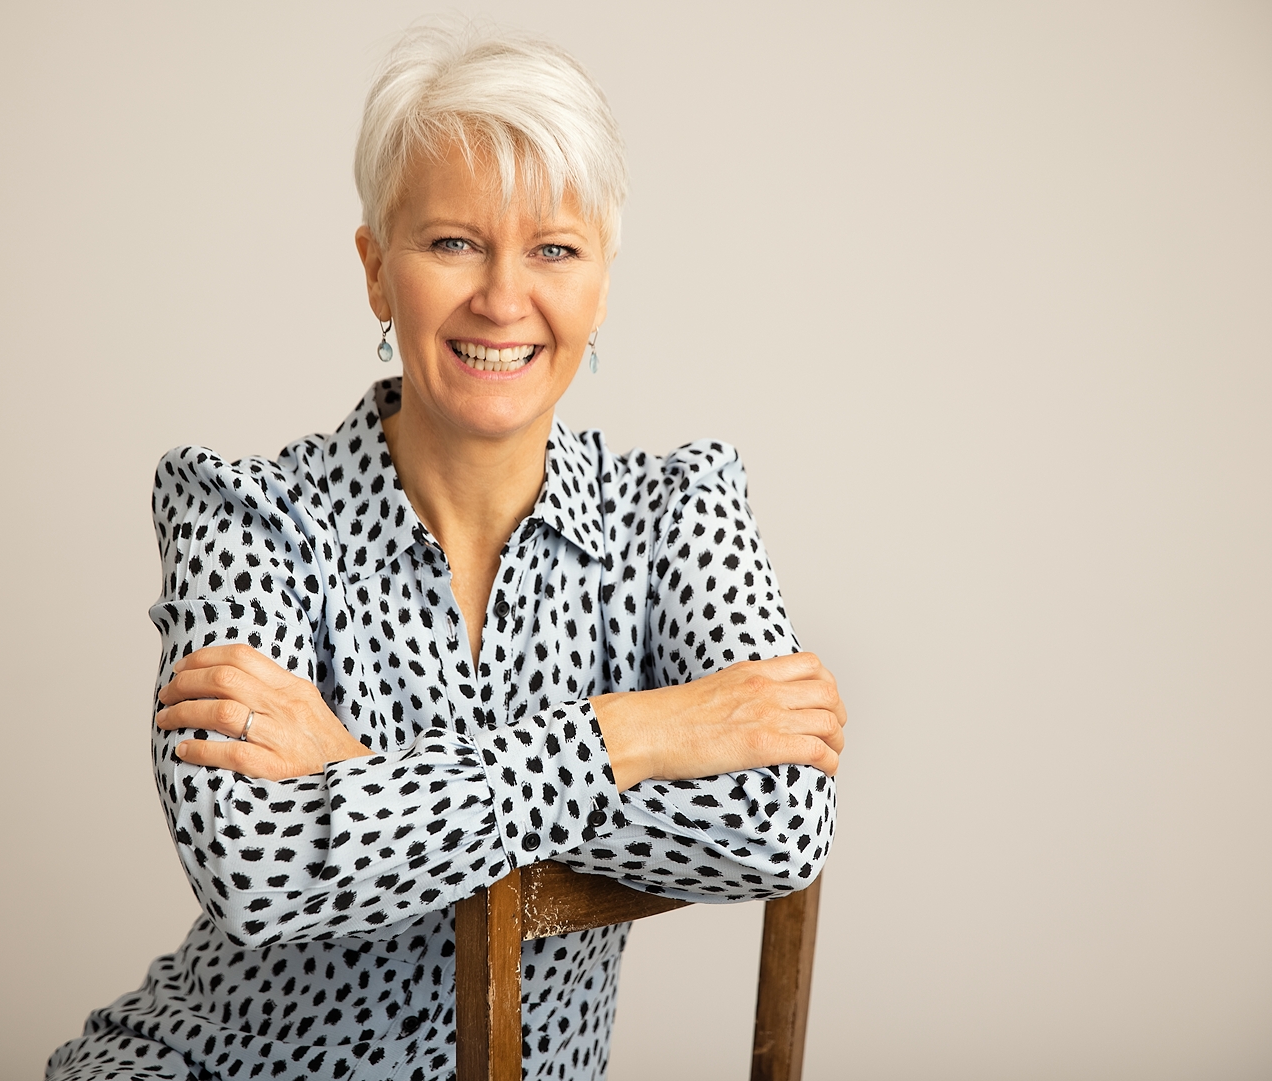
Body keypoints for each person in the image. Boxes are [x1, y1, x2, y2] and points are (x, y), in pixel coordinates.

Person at [47, 22, 845, 1081]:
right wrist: (638, 731)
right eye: (454, 243)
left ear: (603, 283)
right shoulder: (247, 517)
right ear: (378, 272)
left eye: (554, 249)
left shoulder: (673, 513)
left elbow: (783, 824)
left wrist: (362, 778)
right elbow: (254, 867)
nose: (503, 299)